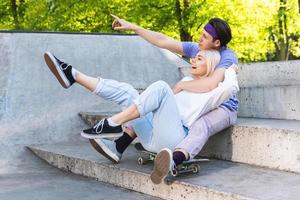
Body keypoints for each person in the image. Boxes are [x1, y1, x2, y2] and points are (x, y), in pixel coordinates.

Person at [44, 14, 239, 184]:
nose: (198, 42)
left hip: (217, 111)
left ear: (217, 43)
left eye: (204, 38)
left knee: (189, 114)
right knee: (129, 92)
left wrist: (179, 86)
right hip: (156, 138)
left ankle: (123, 129)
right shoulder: (198, 55)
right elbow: (162, 41)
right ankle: (74, 75)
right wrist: (133, 27)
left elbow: (214, 85)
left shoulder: (226, 58)